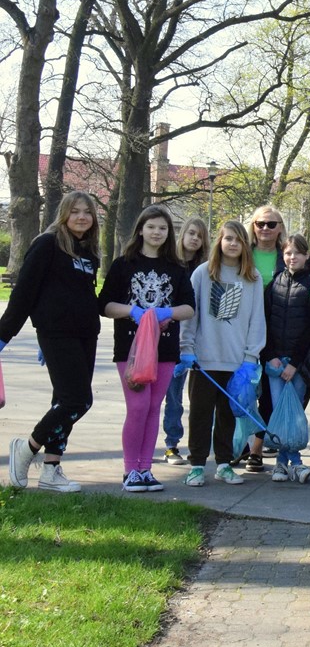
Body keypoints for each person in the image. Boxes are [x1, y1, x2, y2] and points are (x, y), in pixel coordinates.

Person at [2, 191, 102, 492]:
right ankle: (27, 448)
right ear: (64, 214)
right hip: (57, 333)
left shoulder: (88, 251)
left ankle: (51, 469)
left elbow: (83, 296)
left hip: (86, 335)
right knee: (78, 400)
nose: (81, 217)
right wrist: (4, 334)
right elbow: (24, 294)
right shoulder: (47, 244)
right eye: (75, 211)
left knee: (63, 401)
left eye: (87, 212)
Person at [98, 206, 196, 492]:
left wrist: (167, 313)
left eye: (162, 228)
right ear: (140, 229)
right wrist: (134, 311)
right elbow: (104, 304)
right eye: (152, 227)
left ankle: (145, 469)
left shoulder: (177, 268)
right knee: (138, 406)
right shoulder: (123, 264)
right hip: (131, 349)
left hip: (164, 349)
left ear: (169, 233)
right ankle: (130, 470)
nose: (157, 232)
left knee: (154, 408)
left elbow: (189, 308)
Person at [178, 220, 266, 487]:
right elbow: (190, 316)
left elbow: (256, 319)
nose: (232, 244)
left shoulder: (253, 278)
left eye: (238, 240)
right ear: (219, 241)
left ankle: (225, 464)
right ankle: (196, 464)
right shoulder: (203, 274)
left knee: (228, 416)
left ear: (245, 245)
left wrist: (251, 357)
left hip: (237, 362)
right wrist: (186, 348)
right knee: (200, 413)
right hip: (204, 360)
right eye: (228, 238)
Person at [263, 234, 310, 483]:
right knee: (278, 411)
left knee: (293, 412)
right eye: (287, 252)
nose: (292, 257)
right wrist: (272, 356)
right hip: (275, 362)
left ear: (306, 255)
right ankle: (289, 463)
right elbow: (264, 322)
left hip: (298, 364)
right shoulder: (274, 284)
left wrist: (295, 363)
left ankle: (286, 463)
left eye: (297, 252)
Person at [162, 217, 209, 465]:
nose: (194, 238)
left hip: (197, 340)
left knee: (193, 397)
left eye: (199, 236)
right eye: (191, 233)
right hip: (170, 336)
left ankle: (191, 444)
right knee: (172, 394)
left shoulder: (206, 270)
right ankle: (171, 444)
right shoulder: (171, 264)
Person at [244, 205, 286, 473]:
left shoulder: (287, 256)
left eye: (272, 224)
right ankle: (240, 445)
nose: (265, 229)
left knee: (268, 397)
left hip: (276, 332)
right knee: (243, 390)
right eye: (260, 224)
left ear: (280, 227)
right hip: (243, 330)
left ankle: (256, 451)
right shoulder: (243, 253)